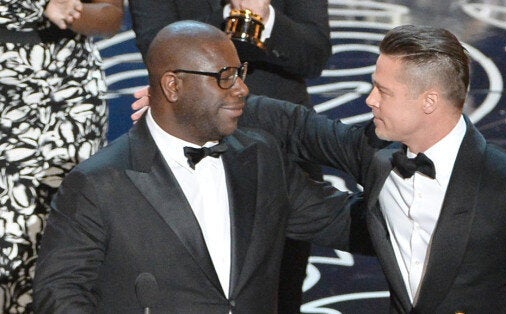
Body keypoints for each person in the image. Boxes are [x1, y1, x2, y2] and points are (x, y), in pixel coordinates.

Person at [236, 25, 506, 312]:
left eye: (383, 91)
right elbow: (299, 127)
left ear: (429, 101)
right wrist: (223, 96)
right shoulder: (376, 148)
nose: (370, 99)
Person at [32, 20, 364, 313]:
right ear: (172, 86)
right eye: (225, 77)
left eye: (240, 73)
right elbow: (58, 295)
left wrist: (412, 197)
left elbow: (345, 222)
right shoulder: (97, 183)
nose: (242, 88)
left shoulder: (260, 157)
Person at [128, 1, 332, 311]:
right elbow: (160, 50)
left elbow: (314, 55)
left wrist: (264, 17)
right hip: (189, 149)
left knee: (281, 291)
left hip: (280, 152)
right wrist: (231, 19)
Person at [0, 0, 123, 312]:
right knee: (9, 237)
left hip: (70, 95)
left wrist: (71, 12)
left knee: (68, 228)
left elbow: (111, 16)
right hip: (6, 90)